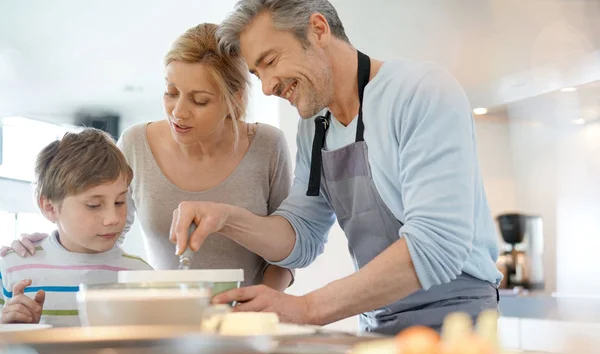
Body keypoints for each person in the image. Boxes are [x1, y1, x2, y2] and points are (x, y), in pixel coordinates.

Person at [170, 0, 503, 334]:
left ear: (318, 30)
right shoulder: (314, 127)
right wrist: (226, 219)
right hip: (377, 323)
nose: (269, 87)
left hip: (458, 322)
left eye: (270, 61)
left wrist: (305, 309)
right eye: (258, 75)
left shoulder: (420, 92)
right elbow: (301, 237)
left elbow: (436, 244)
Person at [3, 23, 294, 290]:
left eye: (199, 100)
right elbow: (105, 226)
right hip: (165, 316)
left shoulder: (268, 145)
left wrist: (263, 304)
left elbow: (290, 247)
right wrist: (49, 245)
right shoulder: (135, 143)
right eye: (170, 92)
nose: (178, 112)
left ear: (237, 98)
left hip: (248, 318)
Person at [0, 129, 152, 327]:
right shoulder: (11, 268)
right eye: (94, 205)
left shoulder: (143, 276)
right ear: (50, 207)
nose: (112, 219)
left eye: (120, 202)